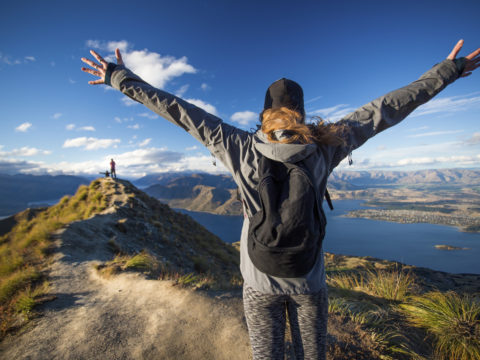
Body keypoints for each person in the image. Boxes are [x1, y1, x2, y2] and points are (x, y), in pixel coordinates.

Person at [81, 40, 479, 359]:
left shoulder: (235, 145)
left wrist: (121, 78)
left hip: (258, 279)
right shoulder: (327, 144)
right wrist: (446, 72)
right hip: (309, 279)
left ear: (264, 114)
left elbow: (178, 111)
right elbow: (387, 109)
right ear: (302, 114)